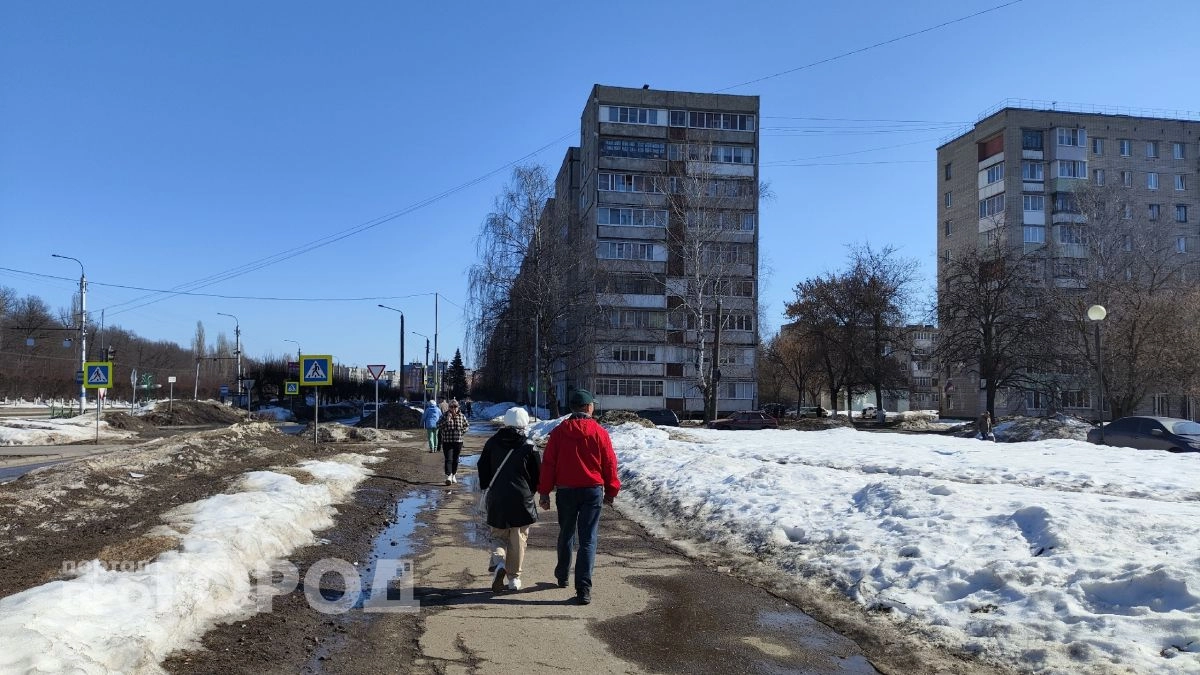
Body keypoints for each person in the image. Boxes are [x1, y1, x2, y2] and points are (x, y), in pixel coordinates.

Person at [537, 388, 619, 605]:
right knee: (588, 539)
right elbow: (609, 463)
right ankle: (583, 588)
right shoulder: (599, 432)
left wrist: (544, 492)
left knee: (566, 533)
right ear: (588, 407)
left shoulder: (558, 432)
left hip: (566, 491)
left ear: (572, 408)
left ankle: (563, 575)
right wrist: (611, 490)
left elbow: (549, 464)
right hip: (592, 490)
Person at [478, 406, 540, 592]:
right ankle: (514, 578)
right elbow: (538, 473)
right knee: (518, 539)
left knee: (498, 536)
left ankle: (499, 563)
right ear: (525, 423)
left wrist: (487, 486)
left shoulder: (492, 442)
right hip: (521, 498)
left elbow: (482, 467)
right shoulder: (529, 445)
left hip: (497, 497)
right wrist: (531, 491)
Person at [437, 398, 470, 484]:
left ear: (458, 407)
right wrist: (447, 420)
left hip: (458, 441)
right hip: (447, 441)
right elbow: (438, 425)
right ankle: (448, 476)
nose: (453, 408)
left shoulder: (461, 416)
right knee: (449, 459)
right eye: (451, 406)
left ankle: (454, 474)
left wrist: (462, 431)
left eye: (455, 406)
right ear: (449, 407)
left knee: (455, 459)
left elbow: (467, 426)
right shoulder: (445, 415)